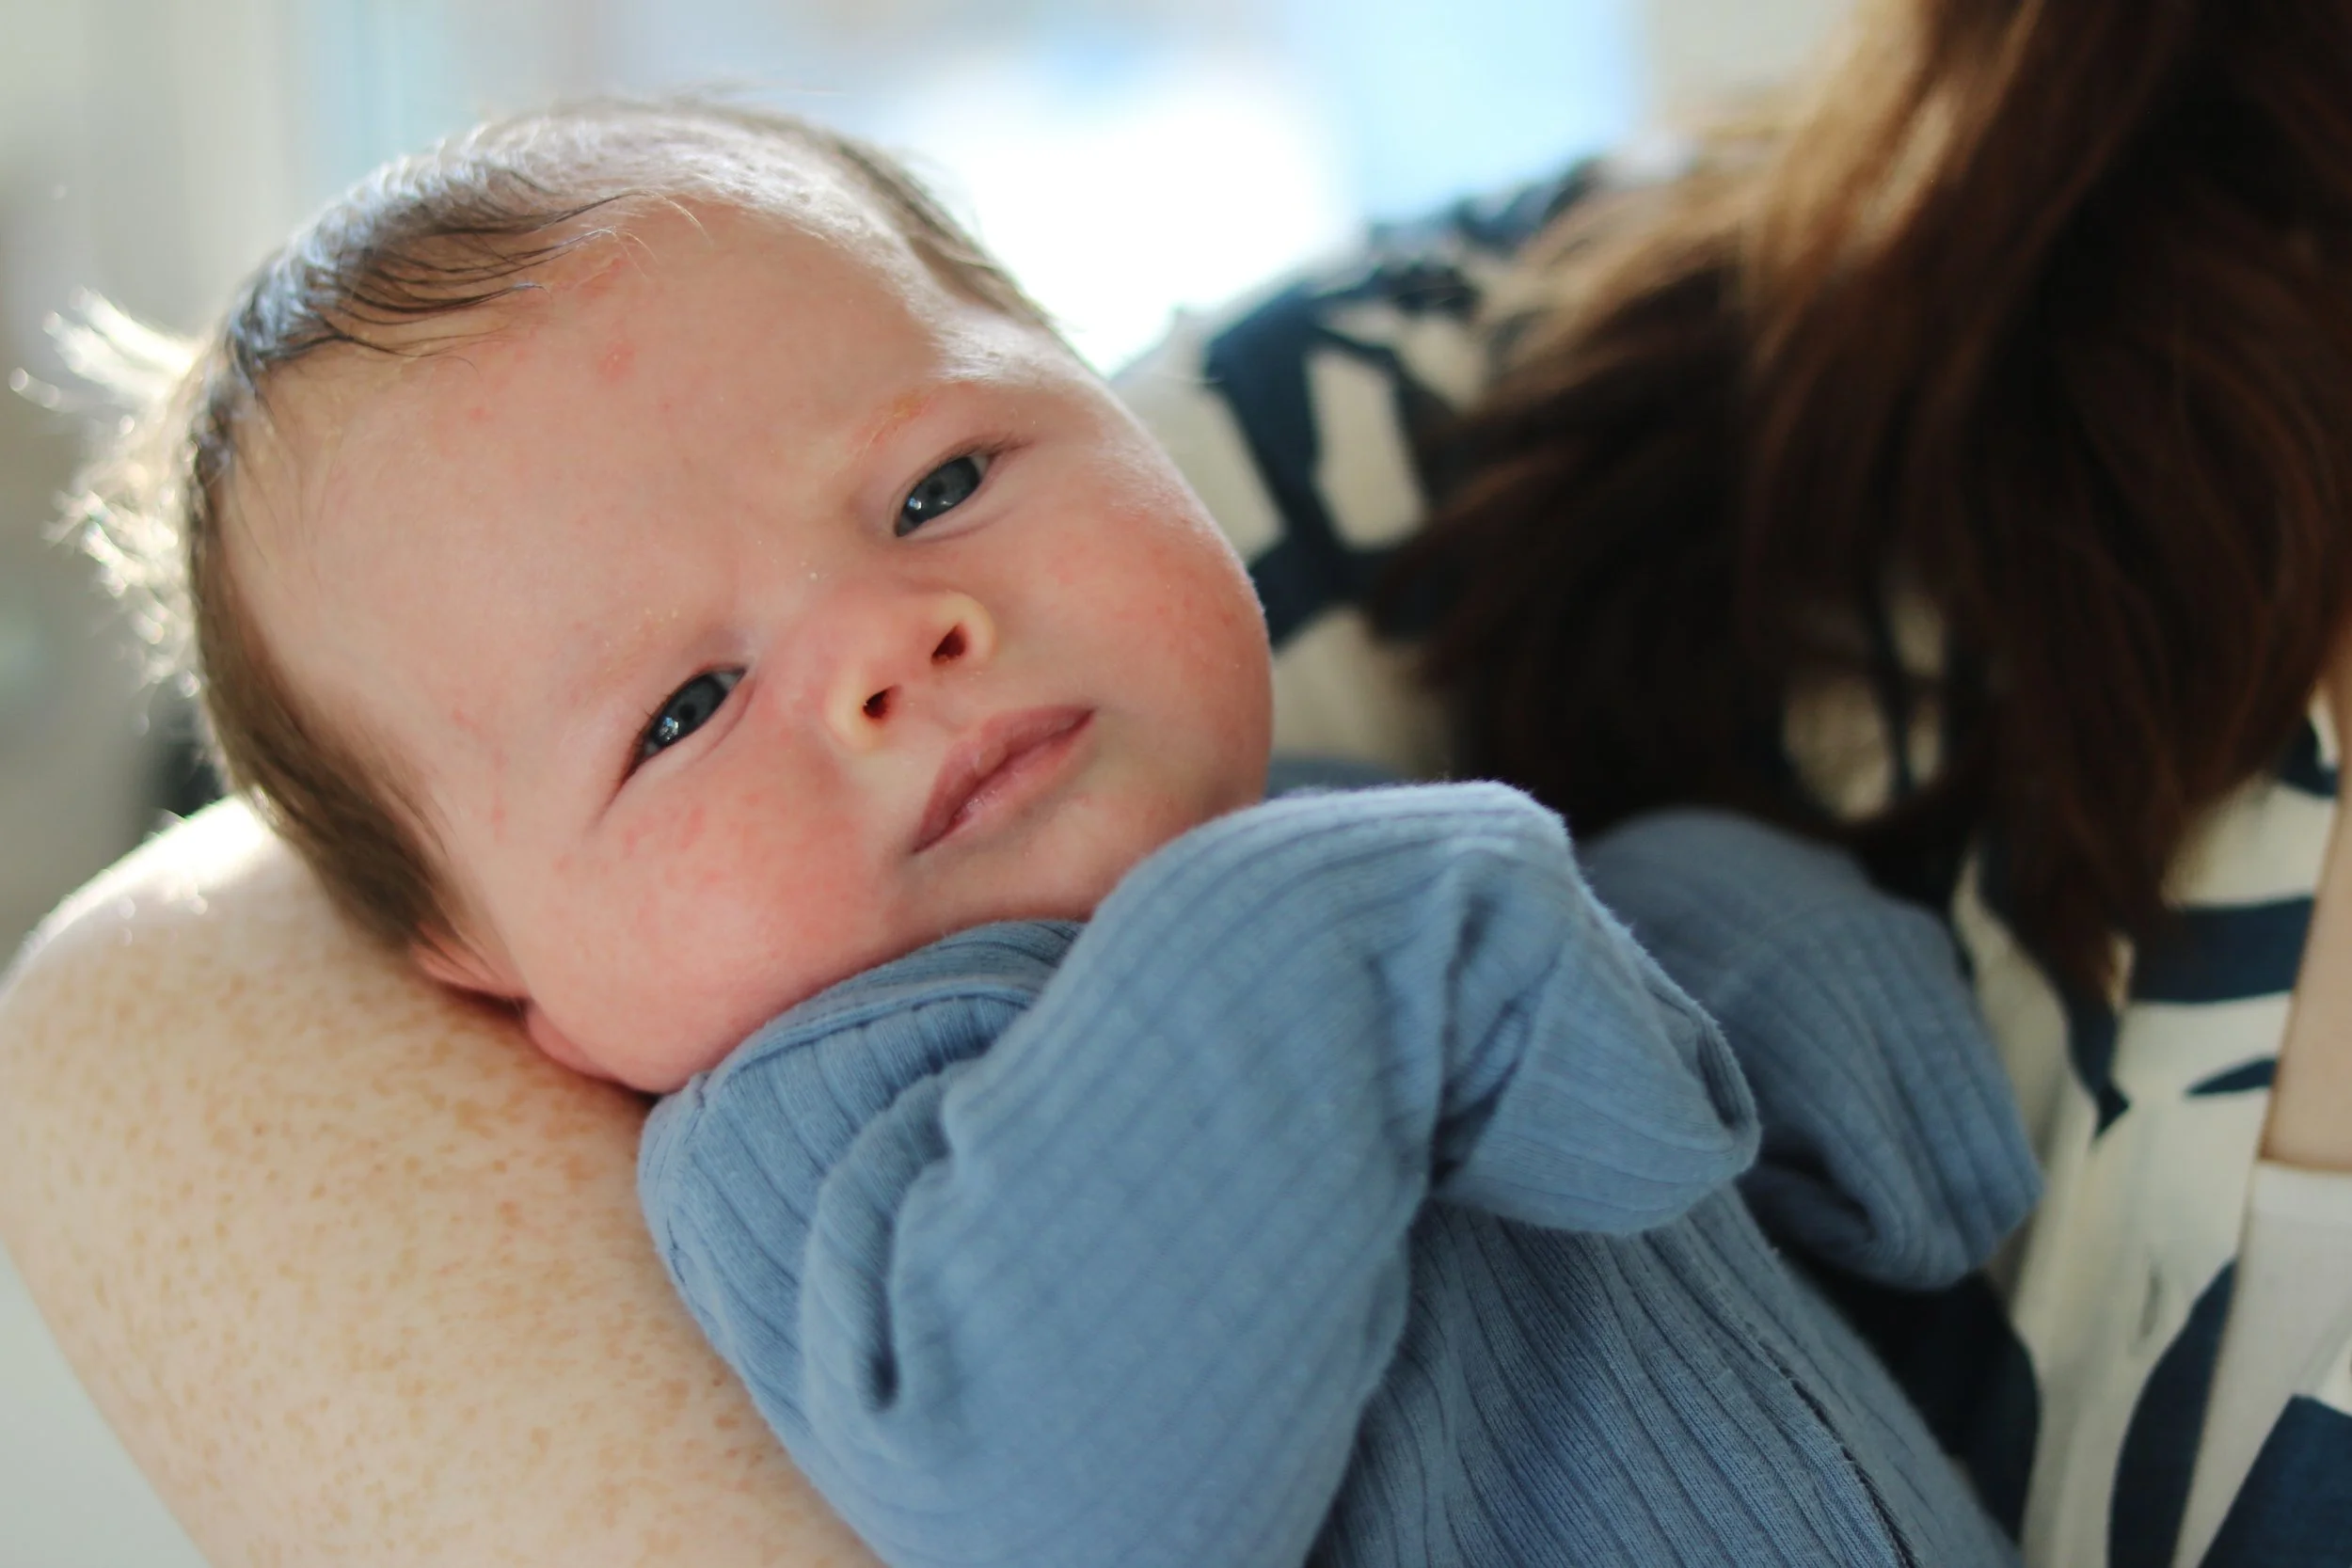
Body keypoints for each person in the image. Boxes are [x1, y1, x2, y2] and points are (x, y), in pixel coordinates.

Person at [3, 0, 2344, 1561]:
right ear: (498, 974)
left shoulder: (1366, 844)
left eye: (936, 485)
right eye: (681, 710)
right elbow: (1076, 1498)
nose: (886, 645)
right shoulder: (836, 1124)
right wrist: (1412, 928)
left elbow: (1789, 1252)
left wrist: (1704, 924)